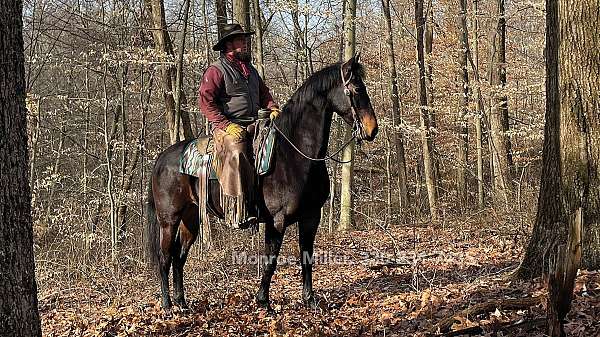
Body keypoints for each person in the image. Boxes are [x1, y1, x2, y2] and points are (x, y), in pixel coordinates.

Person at [198, 23, 279, 228]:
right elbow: (205, 101)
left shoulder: (250, 70)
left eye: (245, 39)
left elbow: (264, 94)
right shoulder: (216, 70)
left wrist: (272, 107)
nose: (245, 43)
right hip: (228, 127)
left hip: (255, 123)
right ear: (228, 45)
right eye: (240, 40)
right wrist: (225, 125)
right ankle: (238, 209)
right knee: (238, 149)